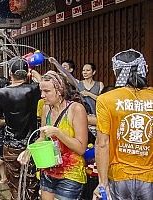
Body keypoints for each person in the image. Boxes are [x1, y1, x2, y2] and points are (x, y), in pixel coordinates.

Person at [94, 49, 153, 199]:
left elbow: (102, 143)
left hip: (119, 176)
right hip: (149, 177)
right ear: (144, 69)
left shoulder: (106, 99)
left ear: (117, 72)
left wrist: (102, 182)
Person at [21, 70, 88, 199]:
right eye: (41, 91)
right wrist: (28, 150)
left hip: (70, 174)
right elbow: (42, 137)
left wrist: (58, 133)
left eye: (47, 91)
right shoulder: (46, 108)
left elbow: (81, 148)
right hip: (48, 169)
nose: (42, 95)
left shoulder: (76, 109)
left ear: (60, 90)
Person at [0, 57, 41, 199]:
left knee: (14, 182)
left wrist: (6, 121)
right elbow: (44, 83)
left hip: (11, 145)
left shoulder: (1, 93)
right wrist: (34, 73)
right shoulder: (34, 89)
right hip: (31, 145)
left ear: (10, 73)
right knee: (31, 182)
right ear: (26, 73)